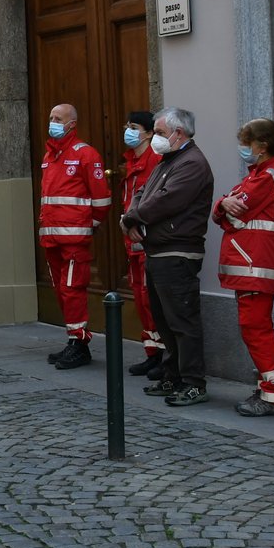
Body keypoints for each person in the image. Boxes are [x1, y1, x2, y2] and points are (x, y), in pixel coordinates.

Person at [121, 107, 214, 407]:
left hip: (178, 250)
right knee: (164, 321)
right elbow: (143, 192)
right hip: (159, 250)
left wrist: (132, 217)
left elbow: (166, 200)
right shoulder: (167, 161)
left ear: (179, 134)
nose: (156, 138)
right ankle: (173, 375)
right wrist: (132, 215)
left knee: (182, 322)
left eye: (160, 133)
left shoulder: (192, 163)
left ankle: (193, 383)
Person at [214, 119, 274, 417]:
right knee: (254, 327)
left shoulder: (268, 175)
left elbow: (235, 215)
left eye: (245, 142)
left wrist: (225, 207)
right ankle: (269, 385)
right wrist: (224, 205)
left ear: (261, 146)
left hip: (256, 263)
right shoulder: (260, 172)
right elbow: (225, 208)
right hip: (251, 262)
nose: (242, 149)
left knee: (256, 327)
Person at [40, 103, 111, 369]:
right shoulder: (49, 156)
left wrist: (89, 224)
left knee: (72, 291)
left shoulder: (85, 154)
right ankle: (73, 339)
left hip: (74, 239)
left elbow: (102, 198)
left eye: (58, 118)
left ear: (72, 124)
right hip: (51, 237)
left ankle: (80, 344)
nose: (53, 122)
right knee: (61, 291)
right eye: (51, 118)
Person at [119, 112, 164, 377]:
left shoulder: (155, 161)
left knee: (150, 299)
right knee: (139, 297)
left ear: (148, 133)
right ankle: (152, 351)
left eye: (133, 127)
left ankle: (162, 354)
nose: (128, 131)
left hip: (147, 241)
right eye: (127, 126)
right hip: (133, 242)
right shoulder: (133, 161)